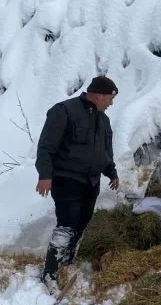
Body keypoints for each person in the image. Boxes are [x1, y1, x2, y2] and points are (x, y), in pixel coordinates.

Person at [35, 75, 120, 292]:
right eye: (110, 98)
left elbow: (104, 152)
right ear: (99, 95)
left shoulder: (104, 120)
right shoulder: (64, 111)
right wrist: (45, 175)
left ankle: (66, 263)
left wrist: (111, 172)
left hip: (90, 182)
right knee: (67, 224)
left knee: (82, 222)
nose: (111, 103)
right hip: (66, 179)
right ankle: (50, 273)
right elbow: (46, 146)